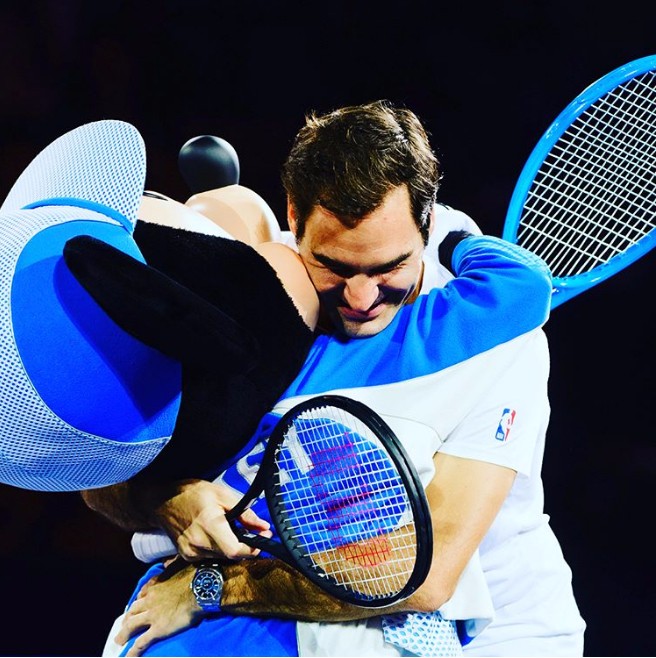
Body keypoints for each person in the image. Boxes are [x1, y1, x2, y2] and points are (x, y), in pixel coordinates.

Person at [83, 100, 585, 657]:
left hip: (496, 636)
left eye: (388, 268)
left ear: (426, 226)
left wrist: (212, 589)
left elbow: (422, 571)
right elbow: (101, 473)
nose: (361, 299)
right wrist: (168, 499)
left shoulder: (493, 342)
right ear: (293, 217)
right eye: (336, 267)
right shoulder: (255, 295)